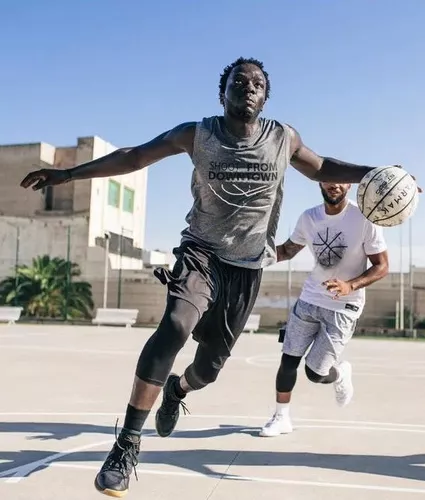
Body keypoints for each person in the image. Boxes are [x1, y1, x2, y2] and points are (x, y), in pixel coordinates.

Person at [20, 57, 401, 497]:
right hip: (201, 252)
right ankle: (126, 444)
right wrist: (68, 173)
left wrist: (374, 172)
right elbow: (136, 156)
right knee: (175, 325)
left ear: (265, 97)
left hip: (247, 268)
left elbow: (323, 167)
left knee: (208, 369)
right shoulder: (197, 133)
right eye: (239, 82)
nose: (249, 87)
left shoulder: (283, 137)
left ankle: (178, 390)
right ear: (223, 93)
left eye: (258, 83)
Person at [259, 181, 389, 438]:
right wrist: (251, 257)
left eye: (341, 180)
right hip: (310, 299)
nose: (334, 185)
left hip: (344, 306)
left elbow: (382, 265)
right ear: (320, 182)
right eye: (329, 179)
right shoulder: (309, 218)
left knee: (315, 373)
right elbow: (287, 250)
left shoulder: (364, 218)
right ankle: (281, 417)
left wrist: (350, 285)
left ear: (349, 185)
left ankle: (340, 373)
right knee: (288, 360)